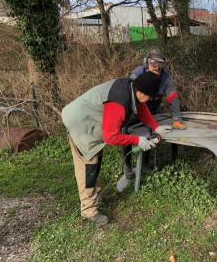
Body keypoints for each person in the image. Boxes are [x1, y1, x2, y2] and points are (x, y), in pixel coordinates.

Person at [62, 71, 172, 226]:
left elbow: (141, 107)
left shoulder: (131, 88)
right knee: (88, 168)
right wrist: (137, 140)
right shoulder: (119, 102)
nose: (150, 100)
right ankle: (89, 211)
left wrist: (156, 127)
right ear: (140, 92)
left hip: (92, 122)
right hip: (80, 124)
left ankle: (96, 197)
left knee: (96, 161)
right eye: (150, 97)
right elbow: (110, 137)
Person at [121, 49, 186, 178]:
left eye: (160, 64)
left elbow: (172, 98)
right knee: (126, 132)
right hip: (133, 112)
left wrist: (176, 118)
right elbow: (128, 95)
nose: (157, 67)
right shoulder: (136, 74)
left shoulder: (166, 78)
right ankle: (126, 165)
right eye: (153, 63)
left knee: (150, 133)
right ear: (147, 62)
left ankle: (145, 163)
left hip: (150, 112)